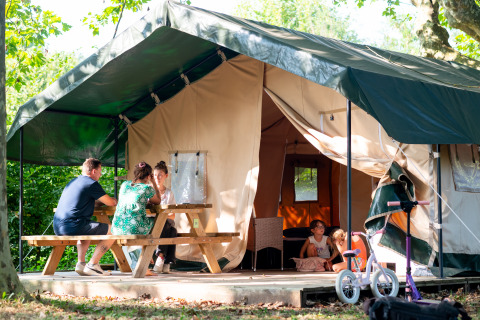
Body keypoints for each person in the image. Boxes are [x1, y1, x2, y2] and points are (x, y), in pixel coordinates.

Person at [53, 158, 118, 276]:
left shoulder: (73, 182)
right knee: (115, 229)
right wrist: (115, 200)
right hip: (73, 226)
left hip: (58, 226)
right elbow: (111, 203)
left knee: (87, 228)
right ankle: (93, 265)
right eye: (100, 171)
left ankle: (81, 264)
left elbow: (90, 202)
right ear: (93, 171)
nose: (101, 174)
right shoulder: (91, 183)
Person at [111, 162, 161, 274]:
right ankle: (145, 261)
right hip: (133, 228)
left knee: (139, 224)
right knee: (162, 224)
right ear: (148, 176)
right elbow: (158, 201)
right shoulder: (147, 188)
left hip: (117, 226)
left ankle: (140, 262)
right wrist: (153, 182)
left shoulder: (124, 185)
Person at [152, 160, 177, 274]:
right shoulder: (149, 191)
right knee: (170, 228)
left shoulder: (169, 193)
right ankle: (164, 259)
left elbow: (173, 215)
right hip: (152, 222)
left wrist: (163, 215)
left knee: (171, 227)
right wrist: (164, 214)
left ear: (166, 176)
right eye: (155, 175)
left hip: (165, 223)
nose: (158, 178)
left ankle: (163, 259)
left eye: (160, 175)